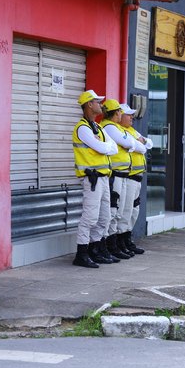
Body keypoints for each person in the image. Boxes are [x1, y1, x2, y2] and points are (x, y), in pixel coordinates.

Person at [72, 90, 118, 268]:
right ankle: (81, 254)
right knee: (90, 217)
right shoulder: (82, 128)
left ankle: (95, 249)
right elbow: (100, 147)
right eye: (97, 102)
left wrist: (105, 147)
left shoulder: (97, 127)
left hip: (104, 178)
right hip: (92, 179)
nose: (101, 105)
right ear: (89, 104)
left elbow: (111, 148)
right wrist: (105, 147)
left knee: (104, 216)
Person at [99, 99, 139, 259]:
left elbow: (135, 144)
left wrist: (132, 143)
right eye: (121, 112)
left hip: (123, 175)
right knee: (114, 212)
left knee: (123, 211)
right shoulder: (109, 127)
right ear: (116, 113)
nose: (124, 115)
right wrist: (132, 143)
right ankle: (109, 245)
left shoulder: (116, 127)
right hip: (115, 175)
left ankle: (116, 243)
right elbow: (128, 143)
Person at [118, 103, 152, 254]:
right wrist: (141, 143)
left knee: (134, 210)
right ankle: (121, 242)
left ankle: (127, 239)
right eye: (128, 115)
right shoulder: (121, 131)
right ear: (119, 116)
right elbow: (142, 147)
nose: (132, 117)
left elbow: (149, 143)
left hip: (137, 177)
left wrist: (142, 142)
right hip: (129, 176)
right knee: (125, 211)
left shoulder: (132, 130)